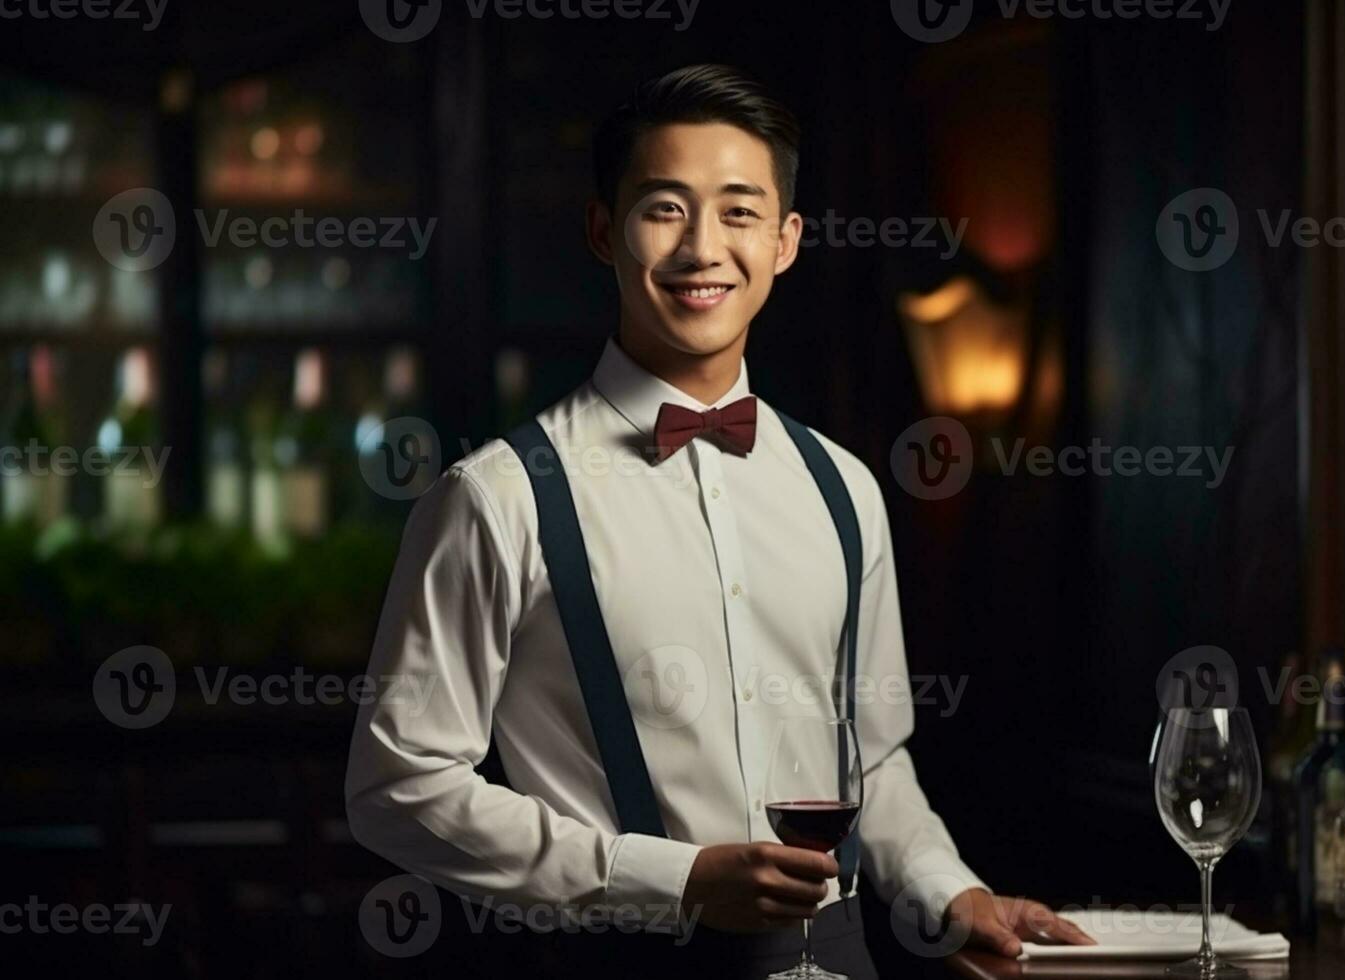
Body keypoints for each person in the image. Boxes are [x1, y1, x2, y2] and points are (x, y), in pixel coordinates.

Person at [345, 63, 1093, 978]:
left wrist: (950, 890)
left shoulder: (844, 487)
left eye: (740, 211)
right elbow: (397, 786)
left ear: (784, 241)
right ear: (602, 231)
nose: (704, 247)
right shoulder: (494, 497)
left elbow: (875, 757)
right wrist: (672, 878)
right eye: (665, 207)